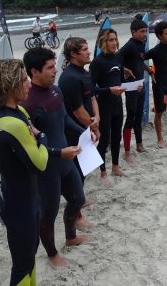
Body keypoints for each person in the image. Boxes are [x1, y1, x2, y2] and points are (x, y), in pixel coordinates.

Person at [0, 59, 62, 286]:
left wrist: (37, 138)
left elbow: (34, 140)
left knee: (29, 258)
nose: (29, 83)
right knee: (22, 265)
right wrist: (43, 136)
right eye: (24, 79)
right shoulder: (12, 123)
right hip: (20, 207)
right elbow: (40, 162)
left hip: (25, 199)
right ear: (10, 85)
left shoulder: (15, 110)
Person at [21, 48, 90, 268]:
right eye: (50, 68)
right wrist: (59, 153)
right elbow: (30, 143)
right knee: (48, 215)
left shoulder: (56, 91)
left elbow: (63, 120)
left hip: (66, 160)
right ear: (34, 71)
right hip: (47, 167)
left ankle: (70, 237)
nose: (55, 71)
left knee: (78, 198)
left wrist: (84, 131)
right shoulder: (27, 103)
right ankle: (52, 254)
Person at [58, 37, 100, 224]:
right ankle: (76, 214)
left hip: (86, 128)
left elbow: (91, 98)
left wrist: (97, 118)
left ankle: (79, 202)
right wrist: (92, 126)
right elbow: (76, 110)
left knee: (83, 170)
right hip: (73, 132)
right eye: (84, 49)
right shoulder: (69, 78)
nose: (88, 52)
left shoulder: (84, 73)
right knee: (74, 172)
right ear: (73, 54)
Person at [90, 29, 126, 185]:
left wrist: (131, 86)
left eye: (115, 39)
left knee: (117, 137)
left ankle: (115, 167)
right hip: (104, 105)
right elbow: (91, 89)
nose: (114, 43)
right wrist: (109, 90)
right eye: (111, 40)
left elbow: (120, 80)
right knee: (104, 140)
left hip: (118, 103)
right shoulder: (97, 63)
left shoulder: (118, 57)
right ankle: (103, 172)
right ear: (103, 42)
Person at [118, 18, 148, 164]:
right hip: (131, 86)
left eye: (146, 31)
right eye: (142, 31)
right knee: (131, 115)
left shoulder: (142, 44)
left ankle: (139, 144)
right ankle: (127, 152)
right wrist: (123, 69)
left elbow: (140, 61)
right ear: (133, 32)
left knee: (139, 114)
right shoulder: (129, 45)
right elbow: (115, 59)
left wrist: (149, 70)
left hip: (141, 84)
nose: (145, 34)